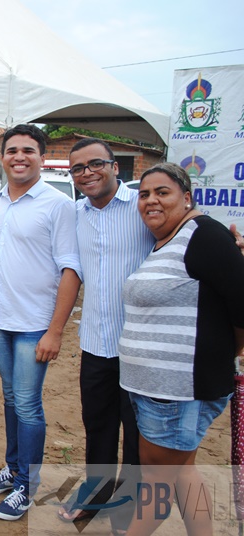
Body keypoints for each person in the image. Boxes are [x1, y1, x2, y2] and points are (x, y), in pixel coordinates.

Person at [118, 163, 244, 536]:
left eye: (162, 192)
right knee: (182, 472)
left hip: (177, 391)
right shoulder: (169, 240)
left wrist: (229, 352)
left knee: (157, 486)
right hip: (158, 389)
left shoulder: (204, 235)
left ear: (186, 197)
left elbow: (241, 305)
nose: (151, 200)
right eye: (144, 194)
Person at [0, 124, 82, 521]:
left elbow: (71, 269)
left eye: (28, 151)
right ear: (1, 157)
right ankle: (14, 468)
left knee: (27, 404)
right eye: (12, 150)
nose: (19, 157)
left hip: (35, 324)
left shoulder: (58, 205)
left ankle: (27, 485)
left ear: (41, 157)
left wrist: (55, 331)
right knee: (10, 398)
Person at [55, 138, 151, 529]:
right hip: (96, 340)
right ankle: (95, 495)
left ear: (114, 167)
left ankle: (127, 507)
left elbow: (185, 230)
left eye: (95, 164)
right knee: (97, 425)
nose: (87, 173)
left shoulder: (142, 206)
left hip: (141, 345)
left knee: (138, 434)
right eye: (77, 168)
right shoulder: (74, 213)